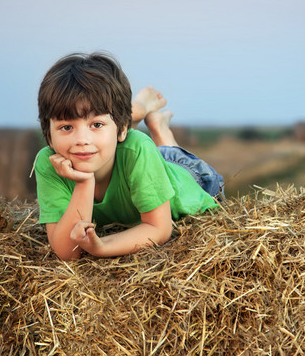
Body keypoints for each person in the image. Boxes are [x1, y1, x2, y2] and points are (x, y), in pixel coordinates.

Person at [34, 52, 224, 260]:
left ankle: (158, 127)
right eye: (66, 127)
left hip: (187, 174)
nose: (81, 139)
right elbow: (66, 252)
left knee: (153, 149)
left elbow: (158, 228)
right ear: (49, 136)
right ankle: (138, 114)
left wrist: (102, 247)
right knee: (111, 133)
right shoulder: (48, 162)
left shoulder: (139, 149)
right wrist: (84, 183)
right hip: (127, 154)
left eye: (96, 124)